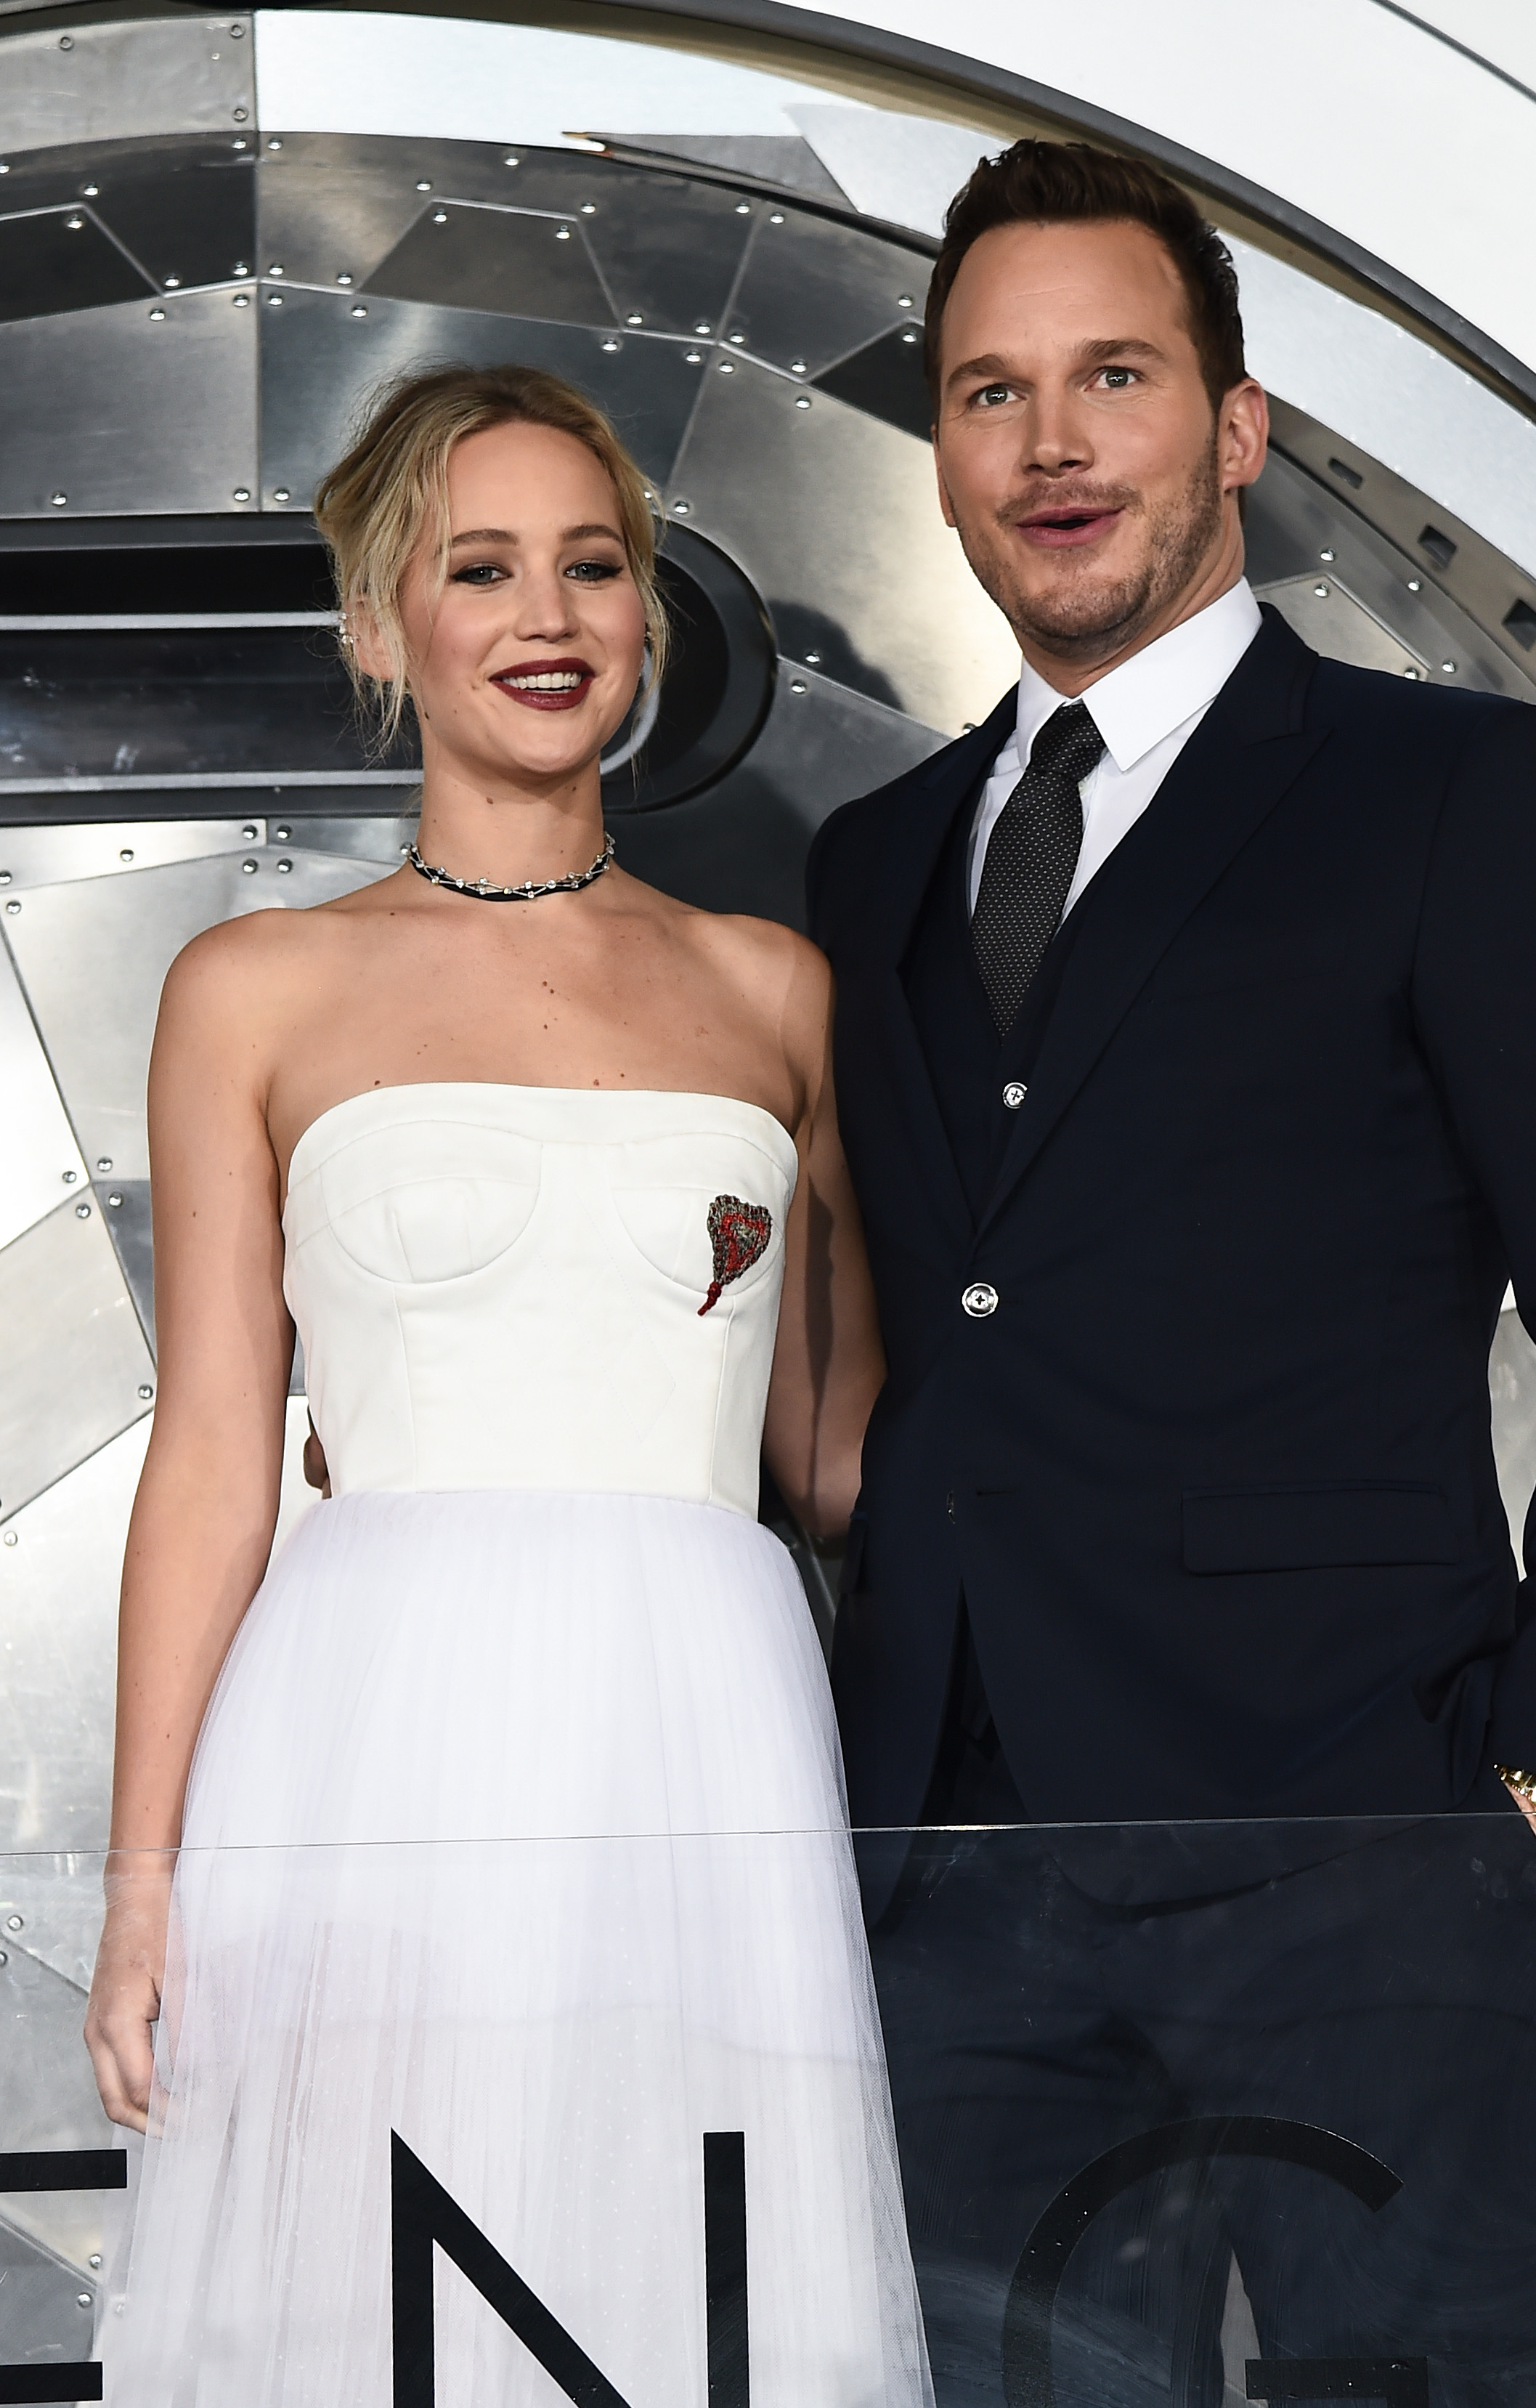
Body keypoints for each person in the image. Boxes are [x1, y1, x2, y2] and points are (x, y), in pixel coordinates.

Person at [807, 142, 1536, 2401]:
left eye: (1113, 377)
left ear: (1234, 426)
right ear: (940, 450)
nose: (1050, 443)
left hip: (1361, 1849)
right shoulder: (868, 863)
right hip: (949, 1879)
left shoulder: (1456, 792)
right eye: (990, 391)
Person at [84, 363, 932, 2405]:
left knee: (696, 2291)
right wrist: (142, 1879)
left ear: (646, 613)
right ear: (382, 626)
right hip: (373, 1737)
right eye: (480, 569)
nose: (546, 617)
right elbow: (215, 1456)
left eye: (591, 565)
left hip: (706, 1735)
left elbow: (841, 1458)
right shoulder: (253, 989)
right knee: (373, 2308)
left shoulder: (774, 988)